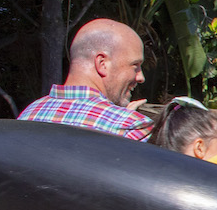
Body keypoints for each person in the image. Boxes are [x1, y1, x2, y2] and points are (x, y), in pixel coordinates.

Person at [19, 19, 152, 138]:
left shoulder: (29, 114)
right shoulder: (133, 129)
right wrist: (126, 120)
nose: (141, 77)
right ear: (102, 64)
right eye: (135, 65)